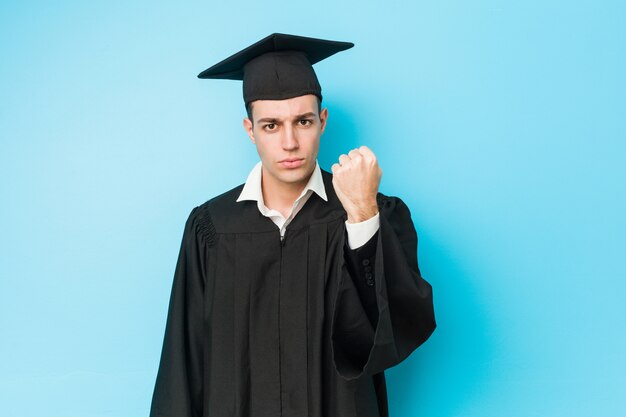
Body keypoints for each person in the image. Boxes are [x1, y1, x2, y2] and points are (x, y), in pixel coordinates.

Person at [149, 33, 436, 417]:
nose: (289, 143)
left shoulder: (366, 211)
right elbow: (182, 361)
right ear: (250, 131)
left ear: (322, 121)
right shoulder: (212, 227)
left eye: (302, 121)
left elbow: (394, 332)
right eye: (271, 126)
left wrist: (363, 215)